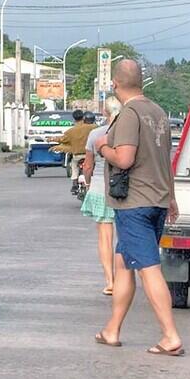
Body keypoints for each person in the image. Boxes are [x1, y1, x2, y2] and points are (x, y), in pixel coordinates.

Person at [93, 59, 184, 357]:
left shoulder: (130, 114)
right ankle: (112, 329)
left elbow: (125, 159)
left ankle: (170, 336)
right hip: (157, 200)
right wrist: (170, 197)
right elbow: (165, 160)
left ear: (115, 84)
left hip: (135, 204)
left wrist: (102, 147)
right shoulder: (157, 112)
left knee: (148, 269)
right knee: (123, 265)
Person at [81, 98, 119, 296]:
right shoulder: (128, 133)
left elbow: (88, 165)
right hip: (126, 190)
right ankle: (125, 279)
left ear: (105, 113)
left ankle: (110, 281)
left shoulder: (95, 134)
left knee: (105, 237)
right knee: (126, 236)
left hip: (99, 188)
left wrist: (87, 182)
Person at [53, 110, 96, 196]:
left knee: (74, 165)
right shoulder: (95, 128)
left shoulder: (72, 130)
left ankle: (74, 183)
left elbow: (63, 140)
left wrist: (53, 139)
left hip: (77, 156)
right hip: (90, 155)